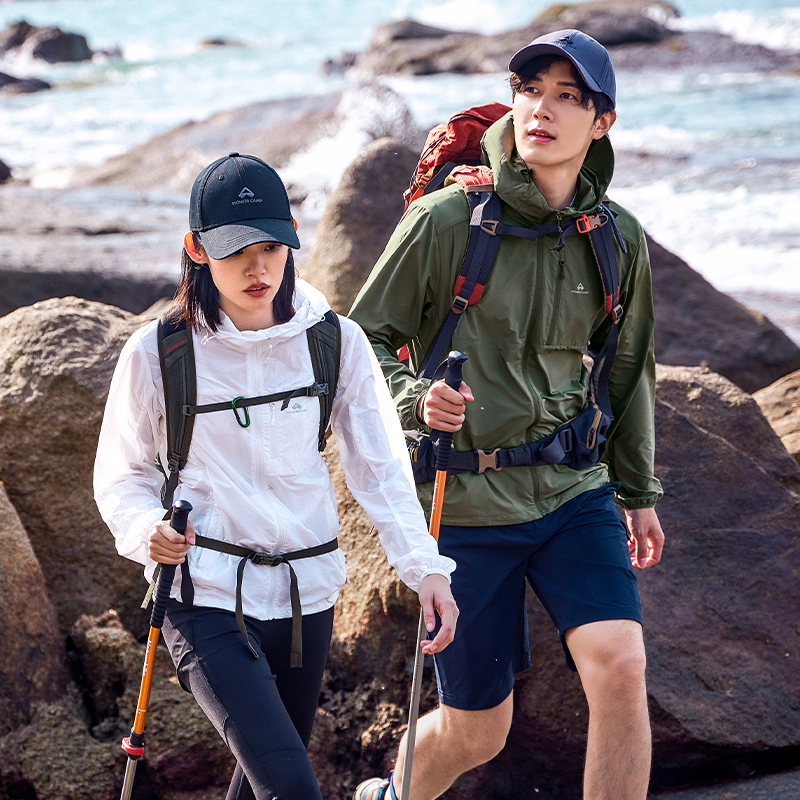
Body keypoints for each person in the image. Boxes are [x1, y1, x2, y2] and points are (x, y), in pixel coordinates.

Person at [349, 29, 665, 800]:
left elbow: (627, 366)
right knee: (477, 731)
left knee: (621, 666)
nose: (542, 109)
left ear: (603, 123)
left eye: (568, 96)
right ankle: (390, 794)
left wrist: (637, 490)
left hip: (570, 493)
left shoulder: (615, 236)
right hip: (465, 503)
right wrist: (413, 400)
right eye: (531, 90)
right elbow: (362, 343)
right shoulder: (451, 220)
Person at [94, 152, 458, 800]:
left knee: (263, 787)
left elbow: (379, 467)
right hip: (202, 594)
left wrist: (424, 567)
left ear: (293, 234)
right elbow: (120, 476)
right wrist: (145, 528)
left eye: (271, 245)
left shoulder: (334, 342)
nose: (258, 268)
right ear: (196, 249)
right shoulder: (159, 353)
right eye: (236, 251)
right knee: (292, 787)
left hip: (304, 596)